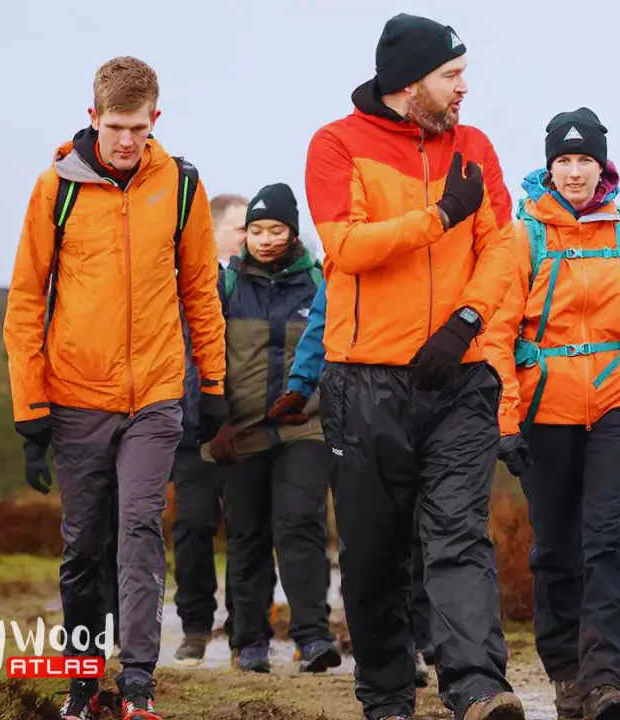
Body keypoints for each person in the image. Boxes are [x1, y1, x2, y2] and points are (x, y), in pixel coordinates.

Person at [299, 12, 524, 720]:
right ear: (409, 82)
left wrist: (465, 325)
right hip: (363, 381)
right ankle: (388, 694)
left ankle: (477, 687)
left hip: (459, 376)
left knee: (458, 535)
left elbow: (504, 249)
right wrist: (439, 214)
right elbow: (347, 246)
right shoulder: (335, 145)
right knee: (373, 552)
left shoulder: (476, 146)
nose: (464, 87)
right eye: (451, 75)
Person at [4, 56, 227, 720]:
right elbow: (24, 301)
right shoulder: (57, 189)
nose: (126, 141)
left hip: (157, 393)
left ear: (155, 119)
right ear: (92, 117)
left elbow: (200, 293)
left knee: (137, 531)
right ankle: (80, 681)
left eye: (138, 127)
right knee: (84, 544)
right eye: (115, 127)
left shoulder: (181, 186)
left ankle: (137, 682)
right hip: (75, 396)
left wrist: (210, 384)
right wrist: (30, 408)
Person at [483, 108, 620, 720]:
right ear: (549, 167)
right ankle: (566, 672)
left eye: (584, 160)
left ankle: (606, 682)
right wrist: (505, 422)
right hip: (546, 405)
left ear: (602, 165)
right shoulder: (523, 236)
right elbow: (497, 332)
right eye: (563, 161)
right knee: (557, 546)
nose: (573, 172)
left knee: (612, 540)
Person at [270, 283, 437, 691]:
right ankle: (385, 650)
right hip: (361, 407)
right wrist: (300, 384)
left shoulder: (439, 254)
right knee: (373, 538)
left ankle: (418, 642)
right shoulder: (351, 254)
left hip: (433, 403)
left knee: (422, 534)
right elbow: (322, 323)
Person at [203, 182, 341, 675]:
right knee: (247, 533)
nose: (263, 238)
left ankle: (313, 636)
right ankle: (250, 640)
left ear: (292, 231)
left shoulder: (319, 283)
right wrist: (207, 414)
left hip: (304, 426)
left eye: (275, 229)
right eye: (256, 229)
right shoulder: (226, 286)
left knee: (300, 524)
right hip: (240, 429)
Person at [171, 192, 280, 667]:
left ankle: (246, 633)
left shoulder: (265, 284)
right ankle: (195, 627)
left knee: (249, 532)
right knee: (193, 527)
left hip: (250, 430)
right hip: (191, 429)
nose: (251, 237)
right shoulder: (184, 284)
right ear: (212, 232)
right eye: (241, 228)